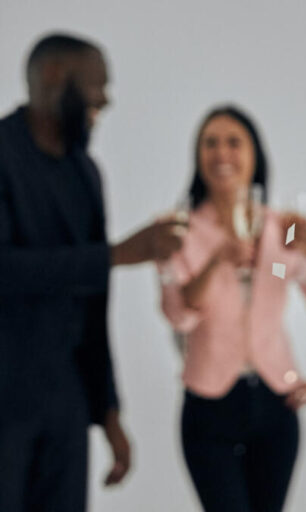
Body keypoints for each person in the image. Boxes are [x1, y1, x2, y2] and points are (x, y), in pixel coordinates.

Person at [0, 33, 184, 511]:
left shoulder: (86, 172)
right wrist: (116, 254)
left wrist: (107, 412)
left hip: (66, 405)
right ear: (54, 77)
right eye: (96, 85)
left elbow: (93, 303)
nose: (104, 99)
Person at [157, 105, 306, 512]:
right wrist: (216, 261)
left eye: (233, 142)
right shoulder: (179, 231)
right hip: (208, 403)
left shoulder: (282, 228)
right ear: (197, 156)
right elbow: (179, 314)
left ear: (254, 154)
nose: (222, 153)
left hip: (276, 401)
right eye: (210, 143)